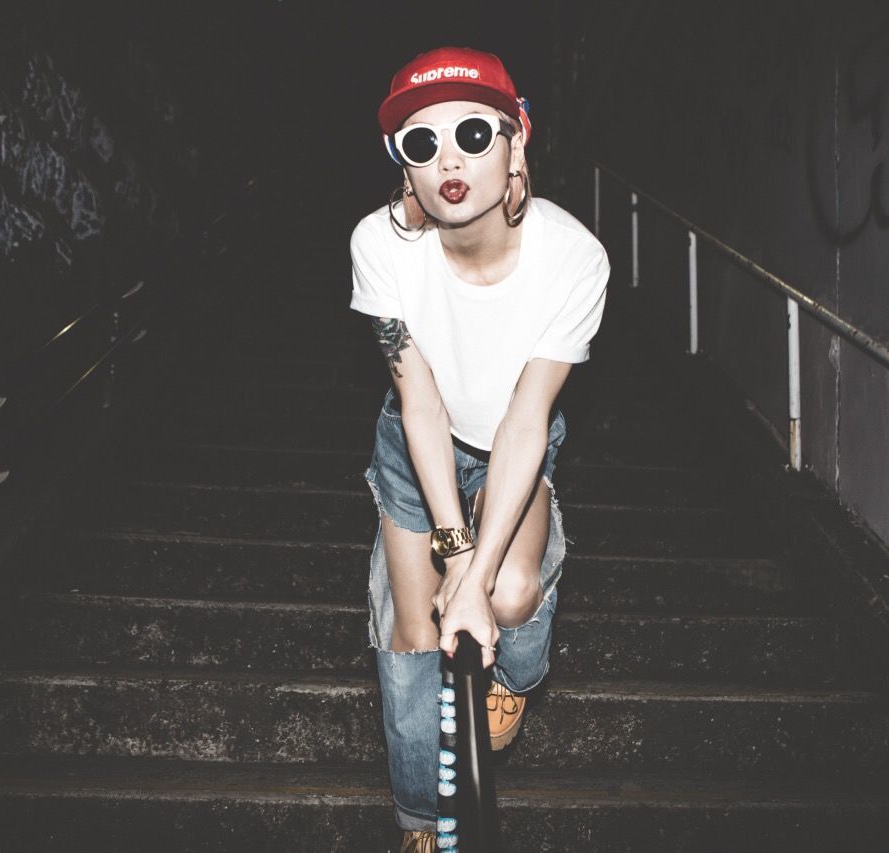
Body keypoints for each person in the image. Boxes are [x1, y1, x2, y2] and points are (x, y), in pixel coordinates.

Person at [348, 46, 610, 853]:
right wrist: (455, 551)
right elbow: (419, 403)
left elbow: (527, 421)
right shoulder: (381, 246)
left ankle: (518, 676)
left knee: (511, 591)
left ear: (516, 139)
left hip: (510, 444)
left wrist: (480, 574)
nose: (448, 159)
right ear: (405, 167)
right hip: (414, 448)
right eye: (420, 144)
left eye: (472, 131)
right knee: (415, 638)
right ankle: (420, 817)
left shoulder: (573, 258)